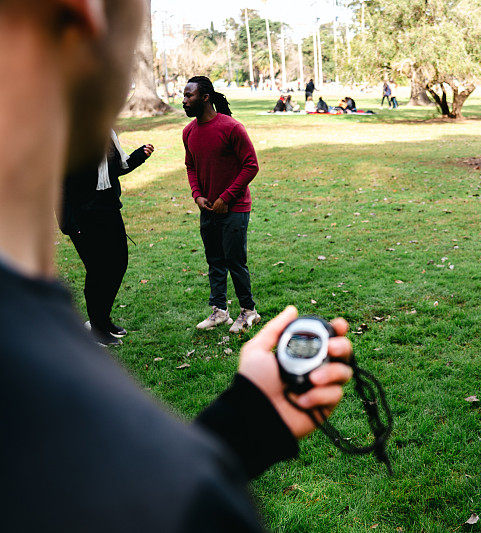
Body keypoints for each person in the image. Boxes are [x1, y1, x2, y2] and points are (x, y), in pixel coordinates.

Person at [1, 1, 353, 531]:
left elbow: (116, 479)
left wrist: (244, 426)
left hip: (226, 210)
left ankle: (240, 307)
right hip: (191, 209)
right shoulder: (185, 502)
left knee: (224, 264)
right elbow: (146, 495)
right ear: (78, 23)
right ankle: (209, 309)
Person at [182, 76, 261, 334]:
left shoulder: (231, 128)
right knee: (215, 260)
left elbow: (251, 165)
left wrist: (225, 197)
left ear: (205, 97)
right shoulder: (189, 132)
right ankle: (219, 312)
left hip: (235, 208)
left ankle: (249, 311)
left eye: (189, 96)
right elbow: (191, 165)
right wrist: (197, 195)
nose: (184, 101)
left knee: (235, 261)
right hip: (208, 209)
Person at [60, 130, 154, 346]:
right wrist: (69, 224)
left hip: (109, 212)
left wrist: (140, 155)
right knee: (98, 272)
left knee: (118, 265)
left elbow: (116, 169)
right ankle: (97, 327)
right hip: (83, 218)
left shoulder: (108, 134)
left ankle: (102, 319)